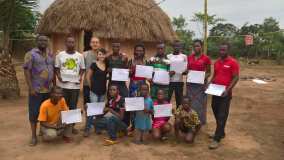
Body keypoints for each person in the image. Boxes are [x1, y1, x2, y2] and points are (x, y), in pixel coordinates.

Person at [23, 35, 54, 146]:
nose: (43, 42)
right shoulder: (30, 54)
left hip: (49, 90)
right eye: (41, 40)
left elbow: (52, 70)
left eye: (45, 40)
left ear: (47, 42)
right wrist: (30, 88)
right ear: (36, 41)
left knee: (45, 111)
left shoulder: (50, 54)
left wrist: (53, 86)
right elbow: (27, 71)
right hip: (36, 90)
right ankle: (33, 136)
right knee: (34, 112)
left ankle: (42, 130)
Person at [208, 42, 239, 149]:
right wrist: (209, 83)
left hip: (225, 93)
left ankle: (216, 139)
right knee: (215, 110)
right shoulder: (216, 62)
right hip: (215, 91)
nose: (221, 52)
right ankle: (221, 132)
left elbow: (236, 77)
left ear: (228, 51)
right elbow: (215, 75)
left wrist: (228, 90)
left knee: (222, 115)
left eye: (224, 50)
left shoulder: (233, 62)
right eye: (220, 50)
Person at [55, 36, 85, 134]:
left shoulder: (79, 56)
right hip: (62, 87)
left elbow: (82, 69)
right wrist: (59, 77)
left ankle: (71, 127)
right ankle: (62, 127)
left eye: (72, 42)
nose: (71, 44)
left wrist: (80, 77)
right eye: (69, 42)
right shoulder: (60, 55)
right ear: (65, 43)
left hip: (74, 87)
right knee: (63, 107)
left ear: (75, 43)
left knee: (73, 107)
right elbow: (56, 68)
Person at [84, 48, 107, 137]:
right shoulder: (94, 64)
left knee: (99, 111)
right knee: (91, 111)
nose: (101, 56)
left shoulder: (106, 64)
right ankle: (87, 129)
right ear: (97, 55)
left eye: (103, 54)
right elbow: (88, 76)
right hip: (94, 91)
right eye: (99, 54)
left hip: (103, 91)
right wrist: (91, 87)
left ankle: (97, 128)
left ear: (105, 56)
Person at [187, 39, 211, 125]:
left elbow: (209, 72)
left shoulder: (206, 58)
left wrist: (202, 78)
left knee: (200, 103)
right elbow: (187, 70)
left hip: (201, 85)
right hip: (190, 85)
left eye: (197, 46)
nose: (196, 47)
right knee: (190, 102)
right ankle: (190, 120)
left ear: (201, 47)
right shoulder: (189, 57)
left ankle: (200, 122)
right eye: (194, 46)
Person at [167, 40, 187, 108]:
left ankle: (178, 117)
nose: (176, 47)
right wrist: (169, 72)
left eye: (178, 46)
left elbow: (185, 69)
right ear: (172, 47)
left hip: (179, 82)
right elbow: (166, 69)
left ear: (181, 47)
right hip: (169, 82)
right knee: (167, 100)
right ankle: (166, 117)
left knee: (179, 101)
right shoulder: (168, 56)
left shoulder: (184, 56)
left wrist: (183, 71)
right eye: (175, 46)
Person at [83, 36, 101, 112]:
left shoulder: (102, 55)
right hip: (87, 84)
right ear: (90, 44)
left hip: (99, 85)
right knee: (87, 104)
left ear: (99, 44)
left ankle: (96, 122)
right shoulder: (85, 54)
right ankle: (88, 122)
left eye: (96, 42)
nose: (95, 44)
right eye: (93, 42)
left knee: (97, 106)